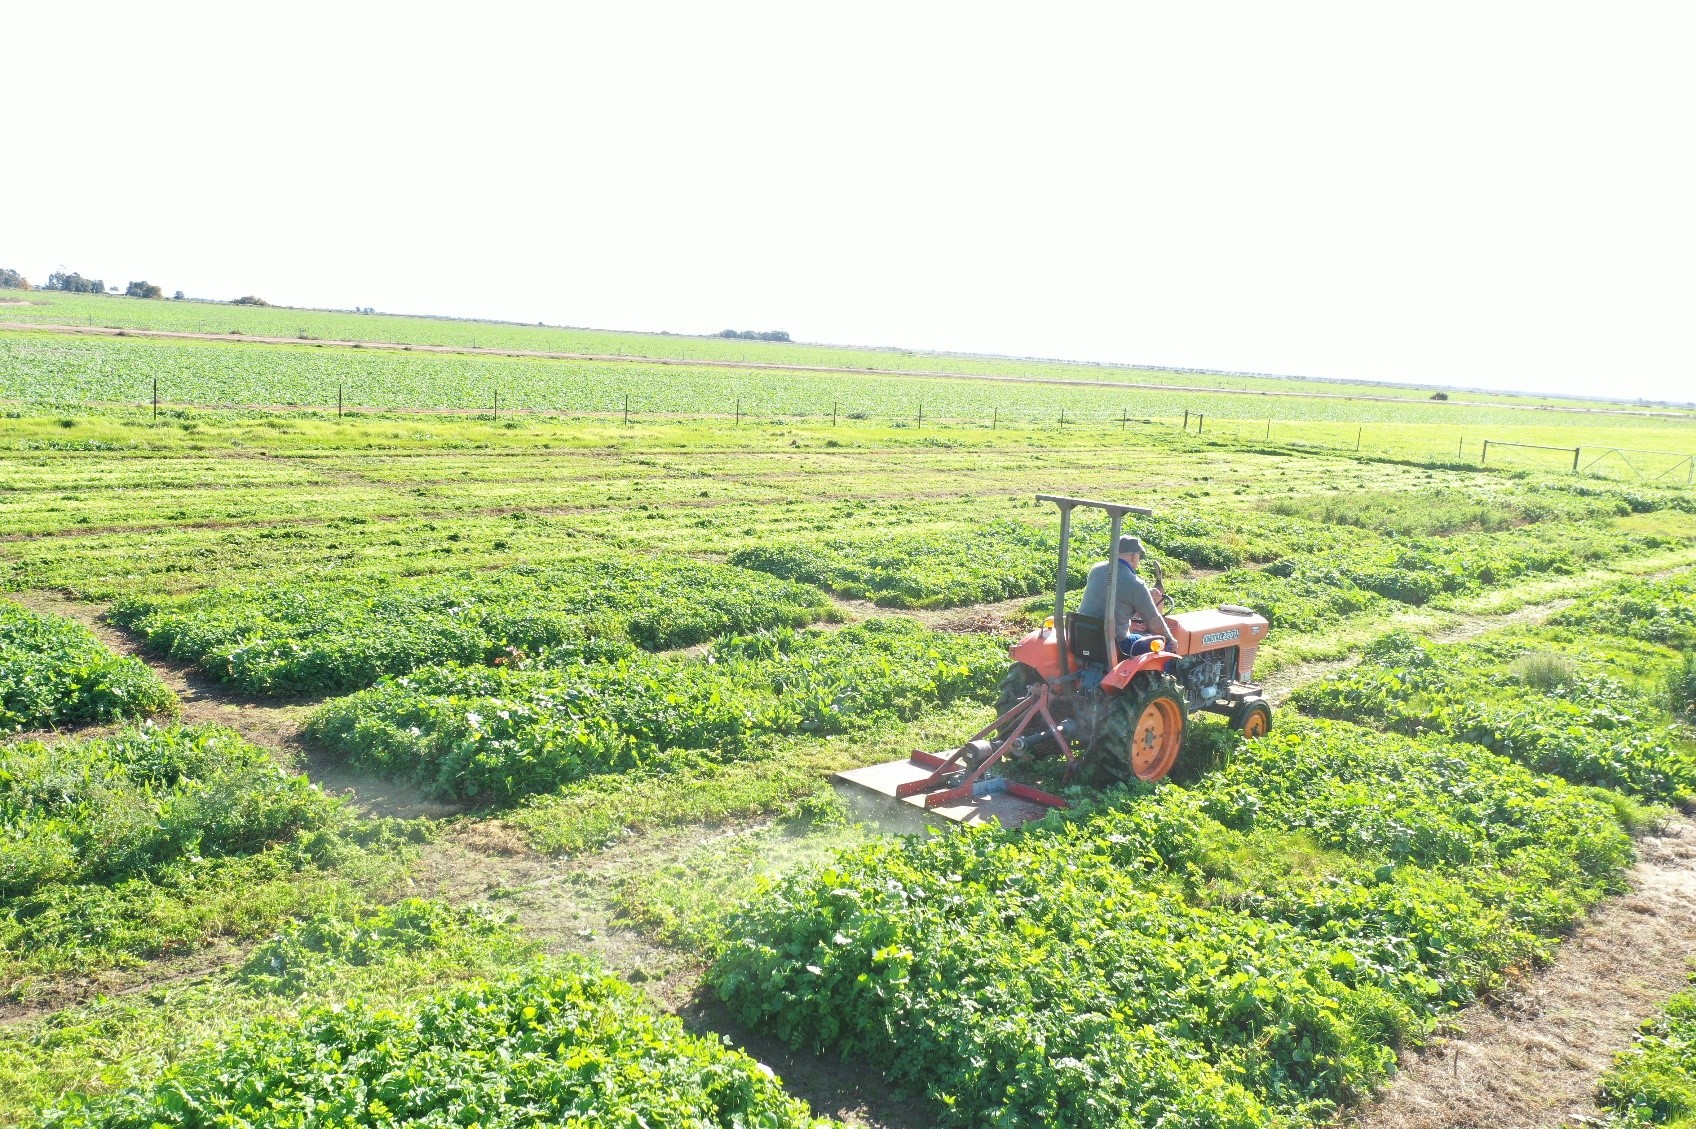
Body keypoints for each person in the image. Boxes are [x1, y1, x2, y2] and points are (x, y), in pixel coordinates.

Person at [1075, 535, 1174, 657]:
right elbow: (1154, 623)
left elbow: (1111, 590)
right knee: (1163, 643)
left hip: (1083, 637)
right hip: (1115, 645)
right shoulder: (1135, 584)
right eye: (1139, 556)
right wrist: (1171, 639)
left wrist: (1146, 592)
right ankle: (1167, 675)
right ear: (1134, 556)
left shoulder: (1096, 569)